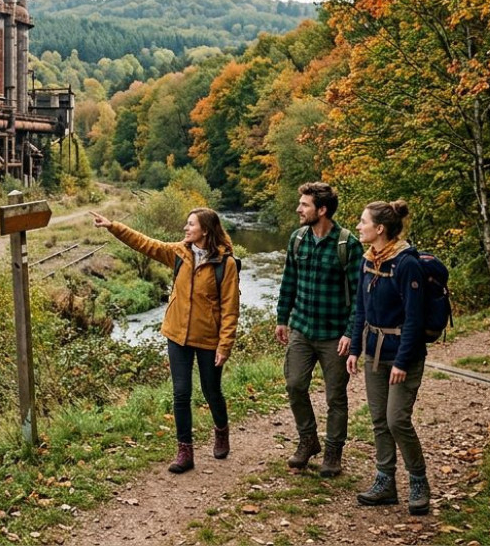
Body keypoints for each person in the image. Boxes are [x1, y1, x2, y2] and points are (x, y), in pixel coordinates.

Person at [91, 207, 240, 474]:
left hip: (208, 338)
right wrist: (113, 226)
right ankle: (185, 451)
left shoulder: (225, 264)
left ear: (205, 230)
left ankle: (221, 431)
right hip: (176, 334)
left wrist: (224, 345)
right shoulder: (179, 253)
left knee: (211, 390)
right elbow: (144, 243)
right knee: (181, 393)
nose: (185, 228)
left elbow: (230, 309)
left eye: (191, 224)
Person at [346, 200, 431, 516]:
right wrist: (355, 349)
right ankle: (385, 482)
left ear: (380, 228)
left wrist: (402, 362)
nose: (359, 226)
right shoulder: (367, 260)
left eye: (363, 221)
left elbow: (415, 319)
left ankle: (419, 481)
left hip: (402, 355)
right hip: (374, 353)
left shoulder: (406, 264)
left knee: (397, 420)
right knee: (379, 420)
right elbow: (361, 309)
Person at [275, 182, 363, 477]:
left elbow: (359, 295)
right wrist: (282, 318)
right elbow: (289, 281)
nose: (298, 209)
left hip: (335, 335)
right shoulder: (298, 239)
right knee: (294, 385)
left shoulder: (348, 245)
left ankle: (333, 452)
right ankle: (308, 440)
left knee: (335, 397)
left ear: (322, 210)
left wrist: (350, 332)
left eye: (304, 205)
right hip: (301, 329)